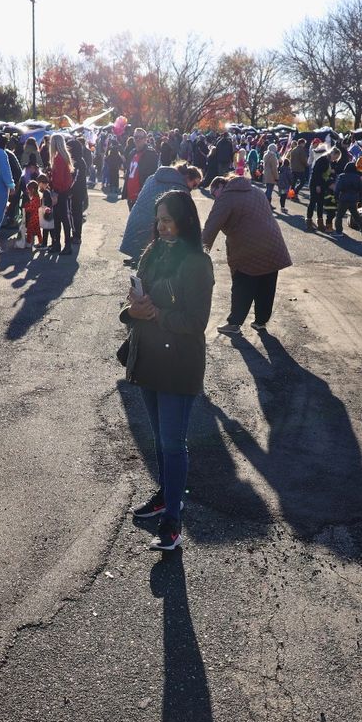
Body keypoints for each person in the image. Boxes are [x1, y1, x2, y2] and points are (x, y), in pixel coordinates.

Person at [123, 190, 214, 551]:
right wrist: (133, 308)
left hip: (179, 363)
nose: (161, 226)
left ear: (186, 220)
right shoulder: (153, 251)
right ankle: (164, 495)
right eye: (158, 219)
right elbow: (136, 298)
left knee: (173, 443)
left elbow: (197, 321)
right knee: (160, 439)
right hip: (148, 358)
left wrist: (157, 314)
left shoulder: (197, 262)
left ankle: (172, 520)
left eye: (168, 219)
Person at [203, 175, 293, 335]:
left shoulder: (227, 197)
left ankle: (234, 324)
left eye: (213, 193)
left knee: (242, 284)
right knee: (267, 283)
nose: (214, 197)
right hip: (273, 244)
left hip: (248, 249)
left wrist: (199, 252)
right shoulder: (255, 190)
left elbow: (211, 226)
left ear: (221, 186)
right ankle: (260, 321)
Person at [119, 163, 203, 263]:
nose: (194, 188)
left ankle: (137, 258)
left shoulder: (155, 176)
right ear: (187, 177)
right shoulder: (181, 189)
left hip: (135, 218)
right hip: (150, 225)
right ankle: (142, 262)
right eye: (194, 184)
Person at [49, 134, 76, 255]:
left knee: (60, 219)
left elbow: (59, 179)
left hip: (59, 191)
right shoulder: (64, 157)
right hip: (64, 191)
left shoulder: (58, 158)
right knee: (62, 219)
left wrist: (55, 191)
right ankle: (62, 244)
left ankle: (61, 245)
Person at [122, 128, 159, 212]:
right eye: (136, 137)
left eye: (140, 137)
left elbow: (153, 176)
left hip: (142, 197)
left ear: (146, 139)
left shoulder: (150, 154)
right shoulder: (132, 152)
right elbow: (129, 172)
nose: (138, 139)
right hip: (130, 196)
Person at [306, 148, 336, 232]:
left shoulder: (327, 160)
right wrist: (318, 185)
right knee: (313, 202)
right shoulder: (323, 160)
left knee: (320, 203)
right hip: (315, 184)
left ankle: (320, 223)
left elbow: (324, 173)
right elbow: (317, 173)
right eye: (335, 157)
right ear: (332, 154)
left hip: (322, 184)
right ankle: (309, 222)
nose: (335, 159)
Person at [333, 161, 362, 233]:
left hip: (344, 198)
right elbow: (361, 189)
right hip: (354, 199)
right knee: (356, 215)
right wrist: (360, 199)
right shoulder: (357, 177)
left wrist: (336, 198)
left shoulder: (342, 176)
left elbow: (338, 188)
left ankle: (338, 231)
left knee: (339, 216)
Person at [23, 179, 43, 249]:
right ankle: (41, 242)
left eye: (29, 189)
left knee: (29, 229)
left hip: (34, 216)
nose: (27, 191)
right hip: (37, 216)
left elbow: (33, 208)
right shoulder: (36, 197)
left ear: (33, 190)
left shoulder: (35, 198)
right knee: (37, 230)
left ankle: (28, 243)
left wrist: (26, 208)